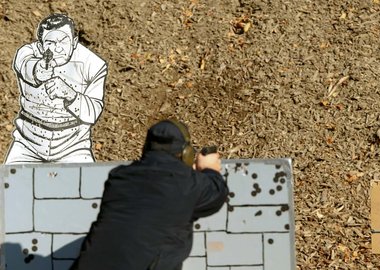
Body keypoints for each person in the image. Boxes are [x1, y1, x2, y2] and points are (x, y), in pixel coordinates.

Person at [70, 119, 228, 270]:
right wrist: (209, 169)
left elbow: (155, 191)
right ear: (186, 152)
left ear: (145, 148)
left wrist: (188, 176)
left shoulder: (119, 177)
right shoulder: (187, 185)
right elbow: (216, 194)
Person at [4, 13, 108, 164]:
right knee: (9, 184)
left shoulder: (93, 65)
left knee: (90, 185)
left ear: (74, 42)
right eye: (50, 43)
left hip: (73, 146)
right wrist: (37, 70)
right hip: (28, 144)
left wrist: (71, 94)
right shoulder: (26, 53)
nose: (57, 48)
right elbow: (25, 64)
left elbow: (93, 113)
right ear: (40, 46)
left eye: (63, 41)